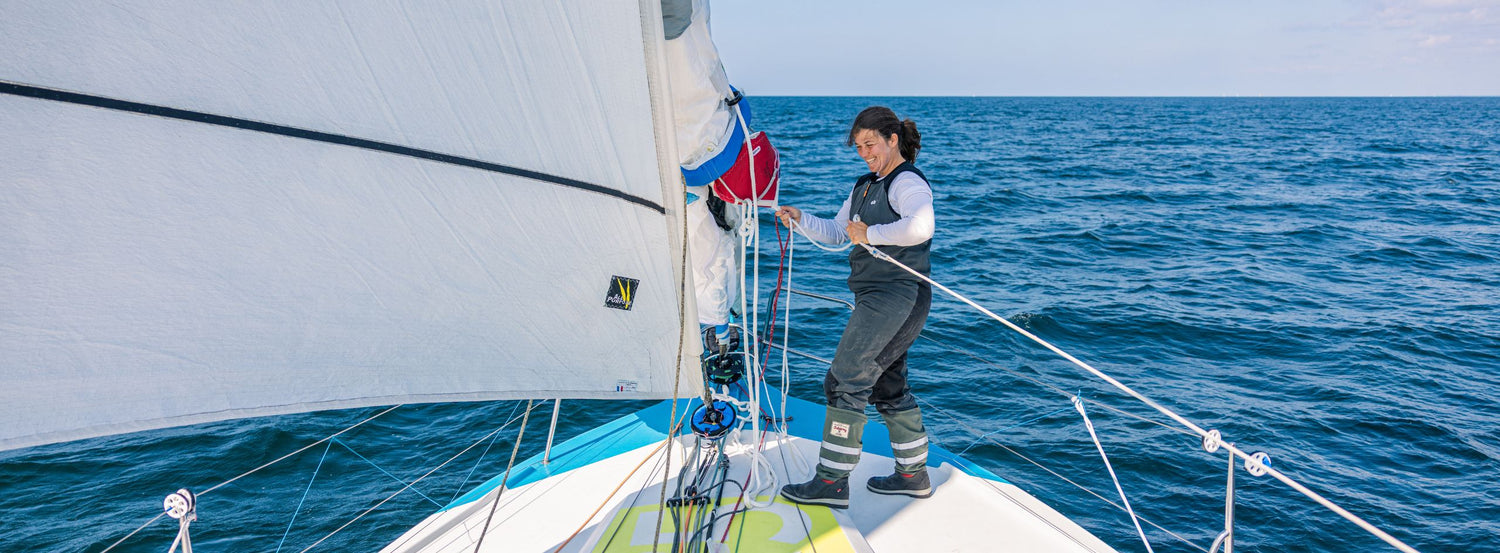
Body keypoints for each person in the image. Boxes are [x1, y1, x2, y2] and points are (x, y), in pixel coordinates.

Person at [776, 106, 936, 508]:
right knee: (886, 383)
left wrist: (872, 232)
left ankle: (830, 483)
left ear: (892, 139)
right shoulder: (864, 186)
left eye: (871, 144)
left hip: (898, 297)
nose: (865, 153)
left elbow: (921, 226)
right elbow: (837, 233)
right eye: (859, 147)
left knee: (845, 380)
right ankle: (913, 476)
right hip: (875, 299)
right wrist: (801, 219)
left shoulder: (907, 182)